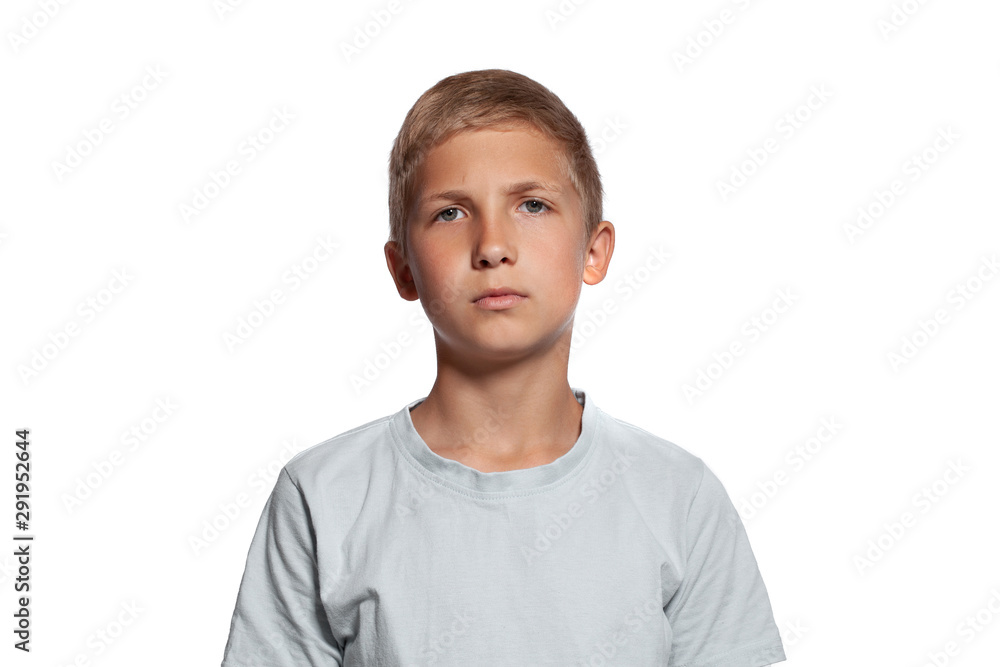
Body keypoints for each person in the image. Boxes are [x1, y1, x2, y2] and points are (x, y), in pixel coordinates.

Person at [220, 68, 786, 666]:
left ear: (593, 252)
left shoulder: (680, 497)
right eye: (450, 213)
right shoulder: (322, 496)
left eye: (532, 205)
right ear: (403, 268)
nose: (493, 245)